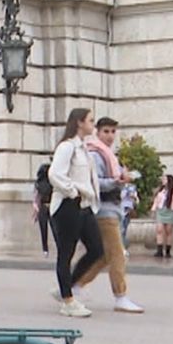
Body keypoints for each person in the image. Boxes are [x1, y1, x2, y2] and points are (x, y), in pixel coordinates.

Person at [72, 118, 144, 313]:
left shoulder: (108, 154)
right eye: (106, 131)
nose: (110, 136)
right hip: (103, 210)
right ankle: (120, 296)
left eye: (113, 131)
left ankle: (74, 285)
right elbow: (95, 183)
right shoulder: (96, 154)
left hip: (112, 208)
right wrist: (117, 181)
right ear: (97, 132)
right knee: (118, 254)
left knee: (104, 256)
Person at [47, 108, 103, 317]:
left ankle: (66, 286)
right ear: (79, 123)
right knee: (66, 253)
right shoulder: (67, 147)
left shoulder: (83, 149)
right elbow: (55, 174)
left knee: (97, 249)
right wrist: (73, 192)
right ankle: (68, 302)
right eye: (91, 121)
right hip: (68, 205)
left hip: (84, 206)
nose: (93, 125)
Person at [30, 164, 54, 258]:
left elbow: (36, 198)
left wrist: (36, 209)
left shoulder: (38, 184)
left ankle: (45, 249)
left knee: (43, 229)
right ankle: (49, 248)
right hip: (50, 206)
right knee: (54, 229)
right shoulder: (52, 182)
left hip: (43, 207)